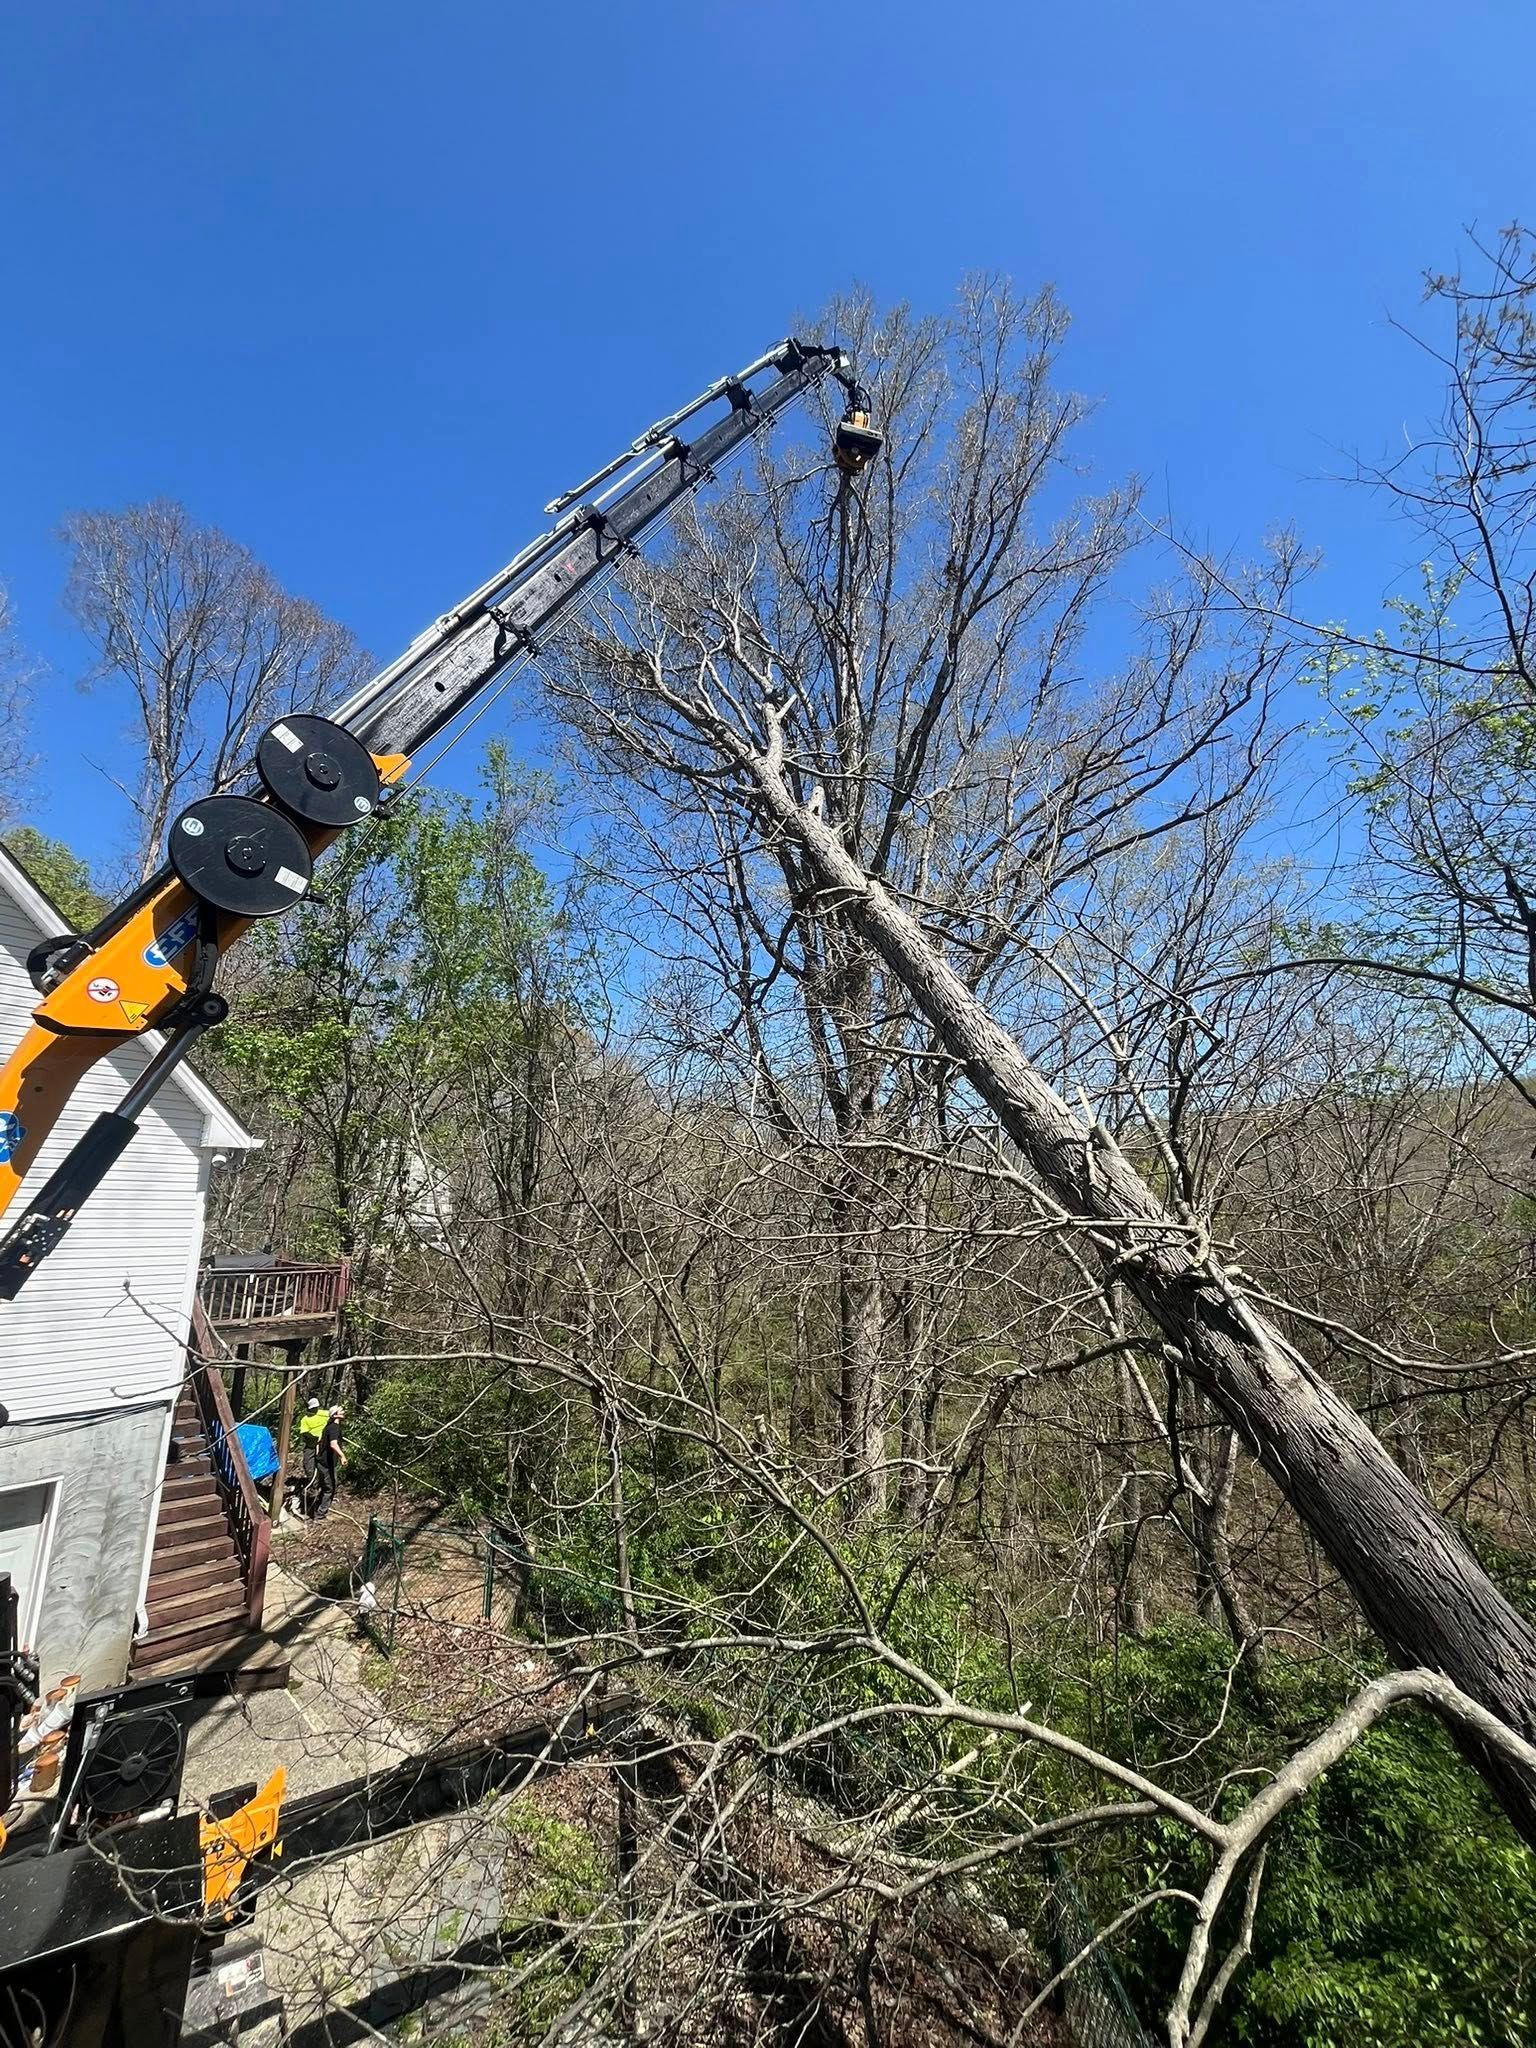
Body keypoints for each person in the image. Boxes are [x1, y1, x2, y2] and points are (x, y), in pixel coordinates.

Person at [314, 1404, 347, 1520]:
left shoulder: (328, 1427)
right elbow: (333, 1444)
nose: (344, 1412)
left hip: (323, 1462)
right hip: (326, 1464)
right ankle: (320, 1514)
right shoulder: (334, 1428)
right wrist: (342, 1456)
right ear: (335, 1415)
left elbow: (319, 1441)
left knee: (326, 1486)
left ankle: (318, 1508)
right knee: (329, 1488)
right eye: (341, 1411)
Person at [296, 1396, 327, 1516]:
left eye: (315, 1408)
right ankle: (313, 1485)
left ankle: (321, 1487)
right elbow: (305, 1433)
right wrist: (315, 1439)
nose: (314, 1410)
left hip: (323, 1445)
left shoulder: (324, 1414)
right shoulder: (305, 1419)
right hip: (311, 1446)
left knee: (323, 1467)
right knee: (309, 1466)